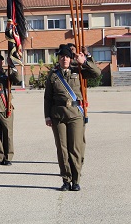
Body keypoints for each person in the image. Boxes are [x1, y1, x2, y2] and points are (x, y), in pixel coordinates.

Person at [44, 44, 100, 192]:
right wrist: (47, 116)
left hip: (75, 114)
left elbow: (97, 73)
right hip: (58, 115)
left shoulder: (79, 71)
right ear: (59, 58)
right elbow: (47, 97)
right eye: (62, 56)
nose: (64, 59)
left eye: (67, 56)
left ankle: (76, 180)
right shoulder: (54, 74)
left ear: (71, 58)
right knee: (62, 149)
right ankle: (66, 180)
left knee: (75, 148)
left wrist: (85, 61)